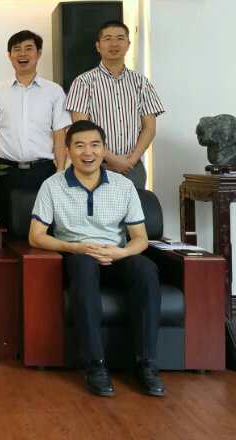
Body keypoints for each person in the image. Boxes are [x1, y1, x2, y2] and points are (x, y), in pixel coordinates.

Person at [29, 120, 165, 398]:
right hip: (77, 255)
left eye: (94, 145)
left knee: (146, 269)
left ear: (104, 149)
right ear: (68, 150)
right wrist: (74, 247)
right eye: (79, 146)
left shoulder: (123, 186)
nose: (87, 152)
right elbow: (36, 236)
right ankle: (95, 366)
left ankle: (147, 365)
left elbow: (140, 238)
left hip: (116, 255)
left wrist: (121, 252)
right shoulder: (52, 186)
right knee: (83, 266)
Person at [0, 30, 70, 226]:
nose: (23, 54)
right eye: (17, 49)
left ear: (38, 53)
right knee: (6, 225)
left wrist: (60, 172)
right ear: (9, 55)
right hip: (6, 172)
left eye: (29, 48)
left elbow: (59, 135)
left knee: (43, 227)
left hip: (43, 171)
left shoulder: (54, 91)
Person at [65, 20, 165, 189]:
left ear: (128, 44)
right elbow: (81, 130)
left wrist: (130, 161)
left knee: (137, 207)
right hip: (96, 166)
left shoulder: (141, 82)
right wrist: (112, 159)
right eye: (108, 39)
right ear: (98, 46)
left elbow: (149, 128)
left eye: (120, 38)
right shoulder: (83, 82)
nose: (114, 44)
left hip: (133, 168)